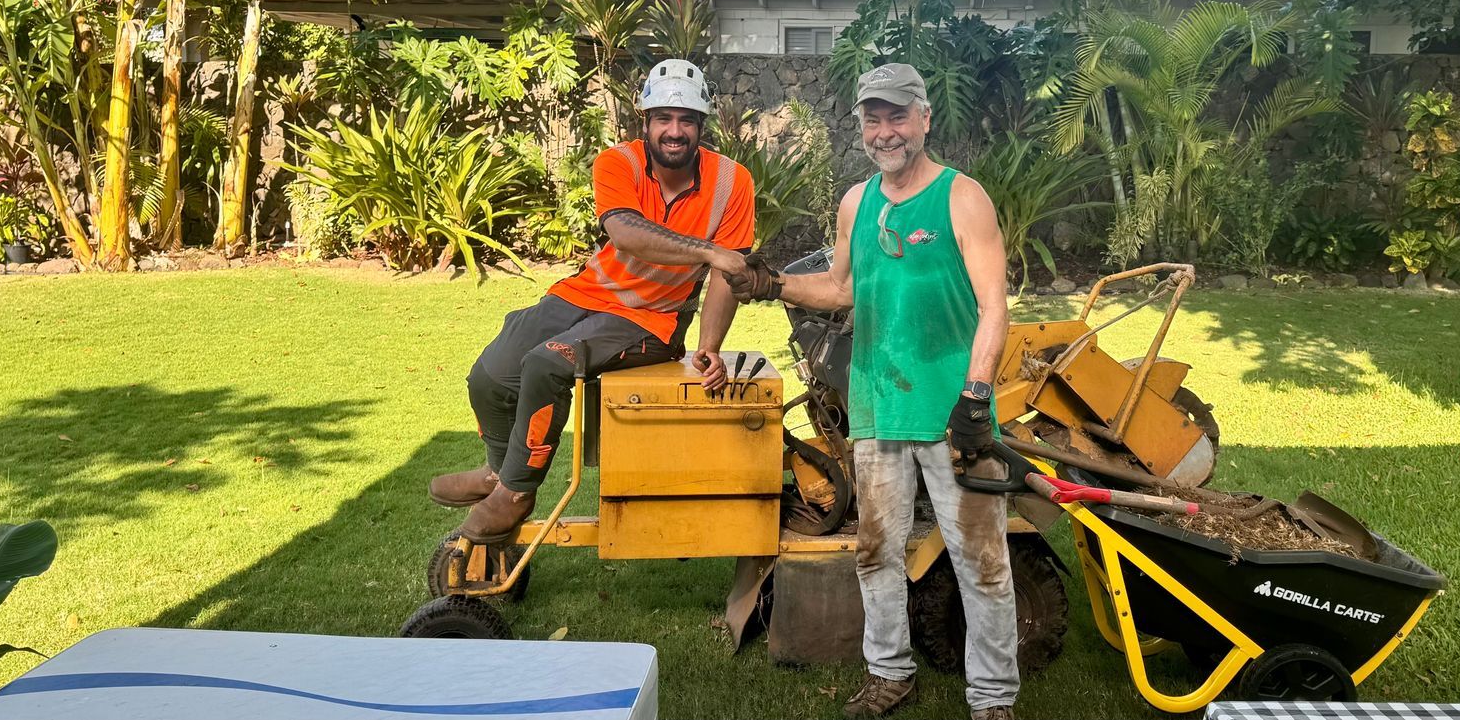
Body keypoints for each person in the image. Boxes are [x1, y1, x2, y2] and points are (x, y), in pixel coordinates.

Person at [736, 63, 1018, 720]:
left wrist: (975, 396)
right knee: (876, 552)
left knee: (981, 562)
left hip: (954, 414)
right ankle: (890, 673)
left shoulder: (961, 197)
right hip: (877, 405)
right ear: (861, 125)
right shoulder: (857, 203)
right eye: (873, 117)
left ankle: (994, 698)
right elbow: (839, 290)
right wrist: (772, 283)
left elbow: (994, 305)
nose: (885, 130)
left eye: (898, 115)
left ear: (924, 118)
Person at [429, 59, 755, 545]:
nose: (674, 131)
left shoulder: (733, 182)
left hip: (653, 320)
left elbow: (727, 279)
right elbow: (625, 233)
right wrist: (710, 251)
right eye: (663, 118)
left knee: (546, 365)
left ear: (701, 126)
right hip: (584, 294)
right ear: (644, 122)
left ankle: (516, 493)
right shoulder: (617, 162)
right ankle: (499, 472)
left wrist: (709, 344)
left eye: (686, 120)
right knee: (490, 374)